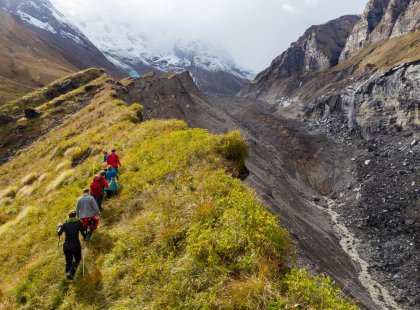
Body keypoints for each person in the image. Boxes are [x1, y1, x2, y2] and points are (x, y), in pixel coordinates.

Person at [57, 210, 86, 280]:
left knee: (68, 261)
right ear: (75, 216)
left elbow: (59, 233)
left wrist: (59, 226)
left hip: (66, 245)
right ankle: (70, 273)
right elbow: (83, 233)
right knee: (78, 259)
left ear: (69, 216)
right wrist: (86, 237)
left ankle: (68, 277)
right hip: (75, 244)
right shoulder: (79, 223)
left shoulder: (65, 223)